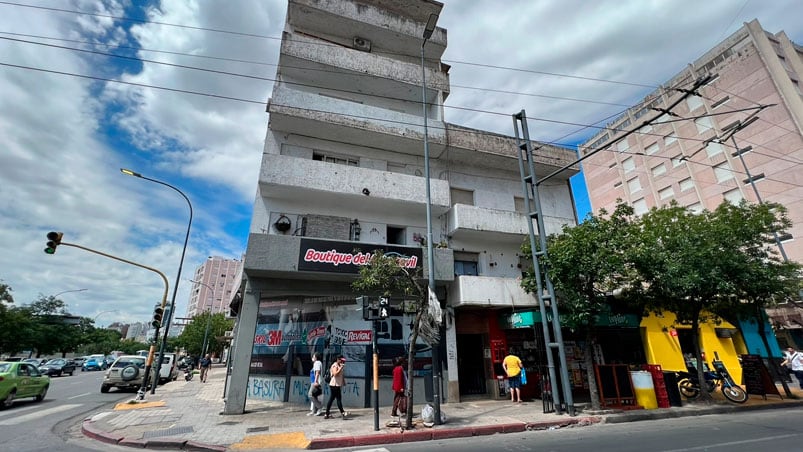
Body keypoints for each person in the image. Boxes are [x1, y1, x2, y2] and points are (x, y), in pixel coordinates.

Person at [323, 355, 349, 419]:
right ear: (338, 359)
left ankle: (327, 413)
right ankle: (342, 412)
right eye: (341, 360)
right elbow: (335, 374)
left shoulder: (339, 365)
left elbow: (341, 376)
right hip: (334, 385)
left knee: (333, 399)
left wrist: (343, 382)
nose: (342, 362)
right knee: (337, 399)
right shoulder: (335, 365)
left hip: (337, 384)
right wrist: (340, 368)